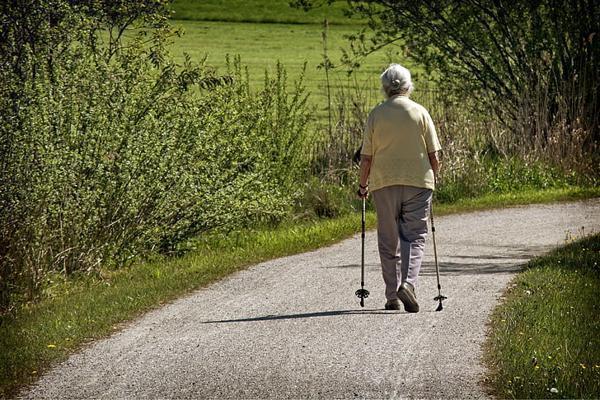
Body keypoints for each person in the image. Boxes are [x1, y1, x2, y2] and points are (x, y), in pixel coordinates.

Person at [357, 64, 441, 313]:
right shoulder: (420, 112)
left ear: (385, 88)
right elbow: (434, 154)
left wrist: (363, 185)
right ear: (408, 85)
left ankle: (392, 296)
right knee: (414, 236)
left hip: (383, 182)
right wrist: (435, 175)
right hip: (418, 182)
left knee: (388, 239)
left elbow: (366, 158)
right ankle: (408, 284)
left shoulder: (377, 114)